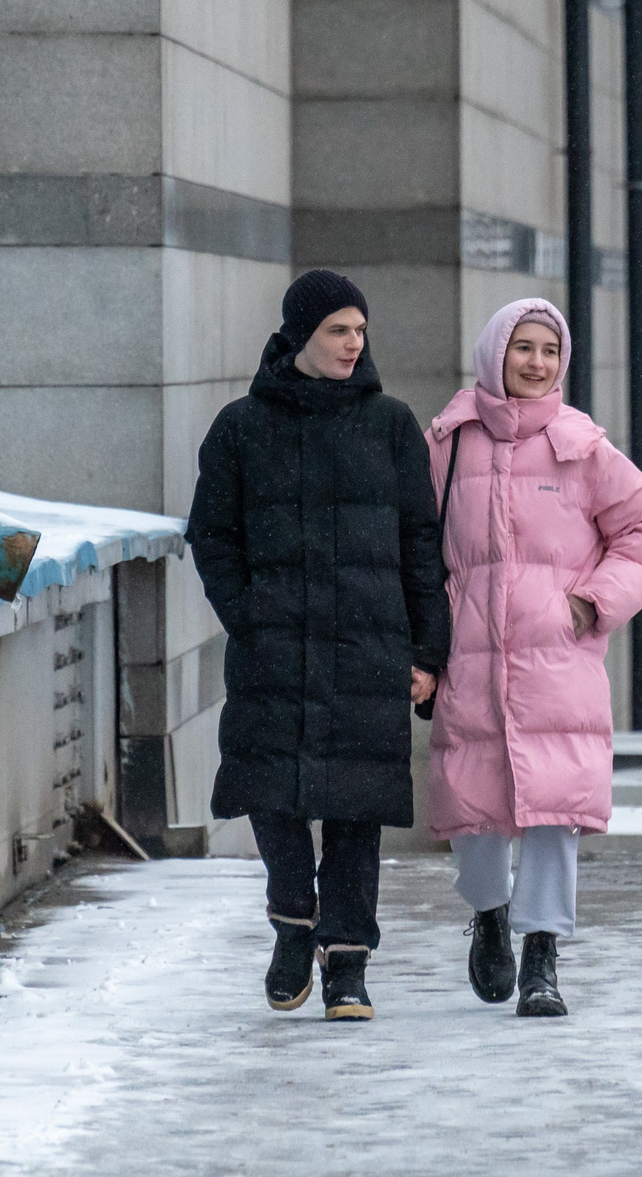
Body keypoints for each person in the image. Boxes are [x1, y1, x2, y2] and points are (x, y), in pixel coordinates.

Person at [185, 269, 452, 1023]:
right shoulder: (241, 427)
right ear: (301, 335)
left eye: (360, 330)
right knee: (270, 793)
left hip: (369, 648)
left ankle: (349, 962)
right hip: (275, 648)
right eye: (339, 329)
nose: (353, 343)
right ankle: (293, 917)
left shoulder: (392, 424)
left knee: (355, 808)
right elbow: (213, 533)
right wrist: (248, 613)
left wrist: (428, 652)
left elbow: (420, 544)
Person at [425, 298, 642, 1017]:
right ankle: (489, 914)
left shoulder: (581, 445)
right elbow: (415, 543)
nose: (536, 362)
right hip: (468, 654)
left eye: (548, 350)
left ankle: (542, 953)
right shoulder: (446, 442)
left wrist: (594, 601)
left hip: (557, 661)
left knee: (551, 811)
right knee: (475, 808)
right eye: (523, 347)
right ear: (493, 352)